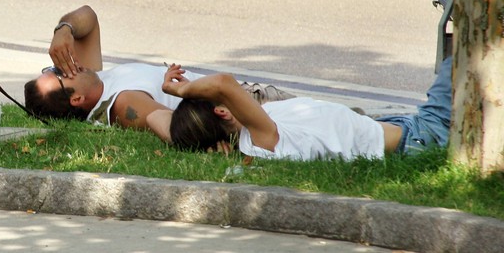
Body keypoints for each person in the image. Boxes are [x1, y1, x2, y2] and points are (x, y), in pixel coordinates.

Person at [23, 5, 293, 141]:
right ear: (76, 100)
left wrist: (64, 29)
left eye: (53, 67)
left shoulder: (92, 79)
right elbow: (171, 126)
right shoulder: (122, 103)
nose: (65, 64)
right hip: (249, 106)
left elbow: (88, 17)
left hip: (243, 95)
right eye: (60, 72)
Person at [165, 56, 454, 160]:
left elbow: (222, 90)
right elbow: (222, 84)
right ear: (223, 111)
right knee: (464, 55)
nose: (243, 91)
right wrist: (178, 89)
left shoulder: (261, 134)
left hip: (403, 126)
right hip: (420, 136)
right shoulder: (260, 139)